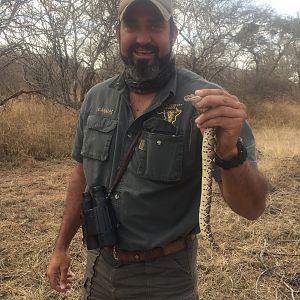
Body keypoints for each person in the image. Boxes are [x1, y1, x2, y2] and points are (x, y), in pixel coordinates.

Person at [47, 0, 268, 299]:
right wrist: (61, 247)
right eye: (132, 26)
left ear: (173, 33)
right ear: (118, 33)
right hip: (99, 268)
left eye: (155, 26)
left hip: (166, 279)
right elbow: (81, 177)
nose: (142, 38)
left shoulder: (208, 104)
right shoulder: (95, 98)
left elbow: (252, 209)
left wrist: (230, 153)